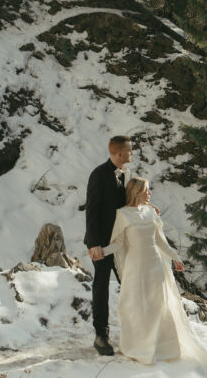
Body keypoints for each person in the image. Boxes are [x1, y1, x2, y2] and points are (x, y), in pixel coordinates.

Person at [104, 176, 207, 373]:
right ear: (137, 192)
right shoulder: (123, 214)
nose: (150, 193)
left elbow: (160, 240)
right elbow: (117, 243)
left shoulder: (151, 212)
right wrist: (101, 251)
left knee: (158, 304)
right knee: (137, 305)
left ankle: (163, 348)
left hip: (154, 263)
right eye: (147, 190)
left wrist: (176, 258)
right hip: (135, 265)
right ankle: (139, 347)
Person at [84, 135, 132, 356]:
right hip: (102, 244)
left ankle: (134, 330)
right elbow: (92, 209)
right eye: (129, 151)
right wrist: (94, 243)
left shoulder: (125, 174)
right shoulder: (98, 174)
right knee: (101, 286)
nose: (131, 154)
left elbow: (128, 205)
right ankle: (101, 335)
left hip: (122, 242)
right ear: (119, 153)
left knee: (130, 284)